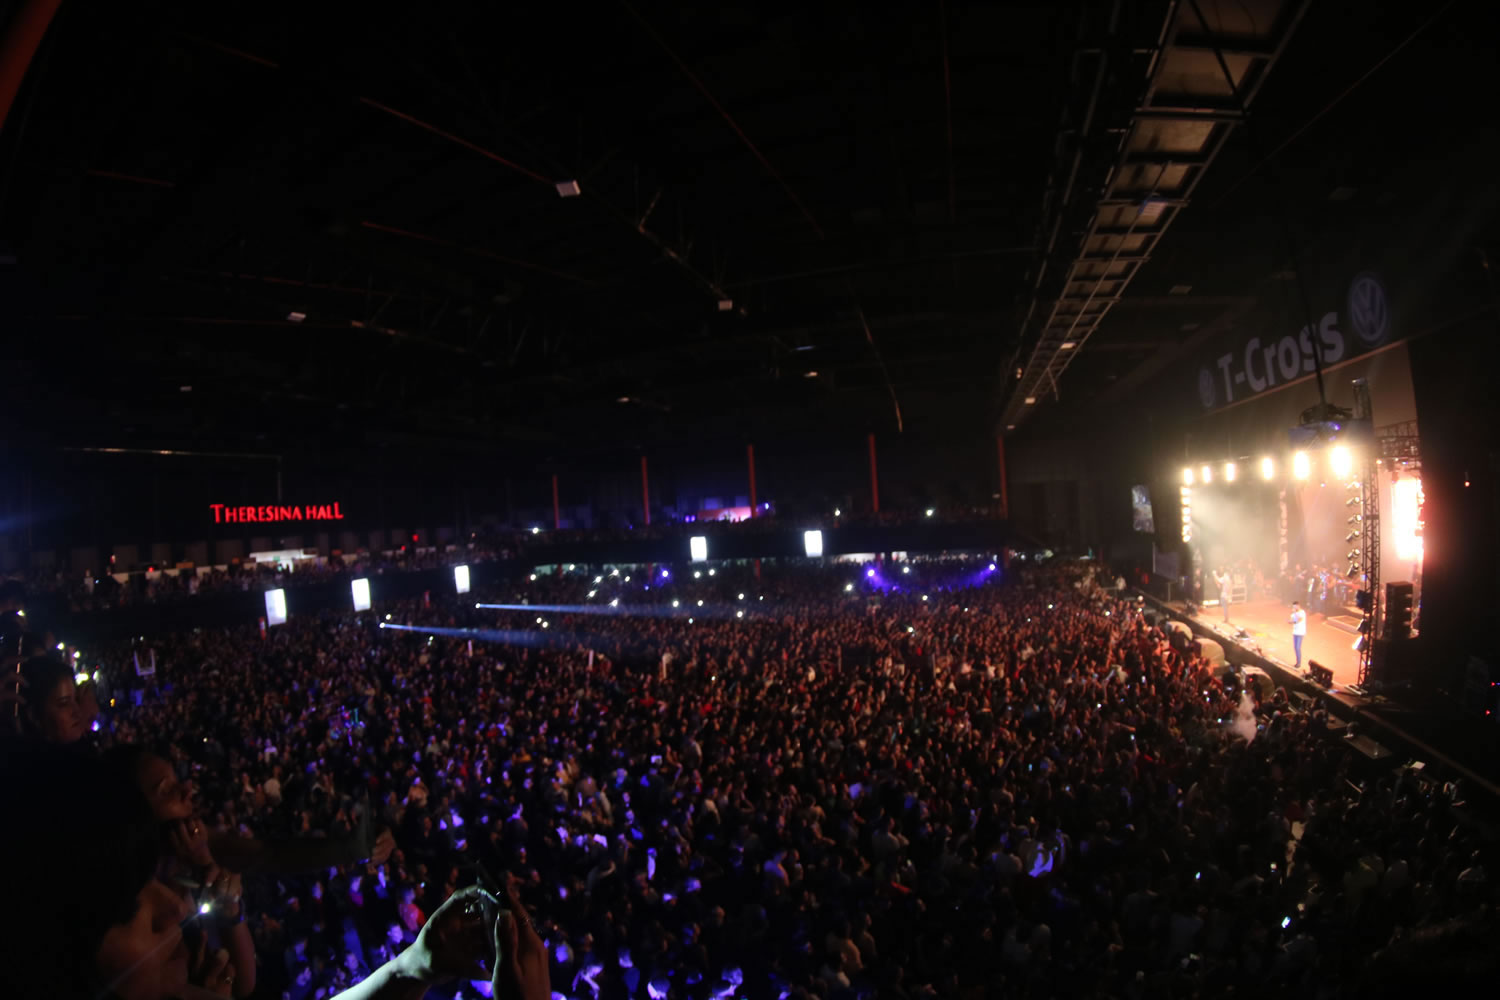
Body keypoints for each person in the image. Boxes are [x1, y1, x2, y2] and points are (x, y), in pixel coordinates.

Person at [1289, 600, 1307, 668]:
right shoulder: (1293, 614)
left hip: (1300, 632)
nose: (1294, 608)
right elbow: (1291, 620)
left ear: (1298, 606)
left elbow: (1299, 619)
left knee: (1298, 647)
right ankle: (1297, 662)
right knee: (1295, 648)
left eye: (1295, 606)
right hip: (1295, 632)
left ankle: (1299, 663)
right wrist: (1290, 621)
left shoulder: (1302, 612)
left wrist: (1294, 614)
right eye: (1293, 607)